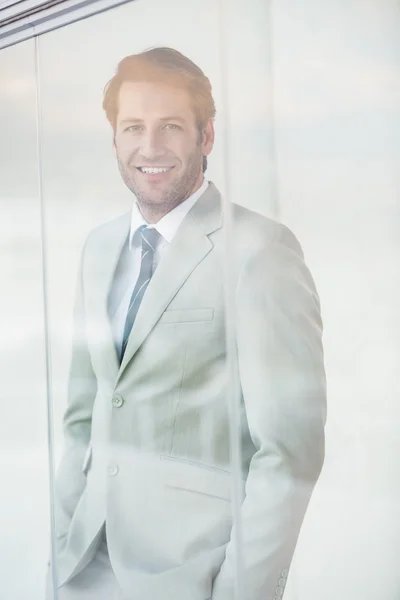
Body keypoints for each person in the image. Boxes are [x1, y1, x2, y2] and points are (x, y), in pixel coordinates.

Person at [47, 46, 326, 600]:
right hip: (84, 566)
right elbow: (82, 417)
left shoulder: (259, 250)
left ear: (206, 137)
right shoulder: (99, 248)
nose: (149, 147)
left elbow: (289, 452)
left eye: (170, 126)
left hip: (189, 576)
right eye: (133, 127)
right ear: (114, 140)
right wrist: (60, 552)